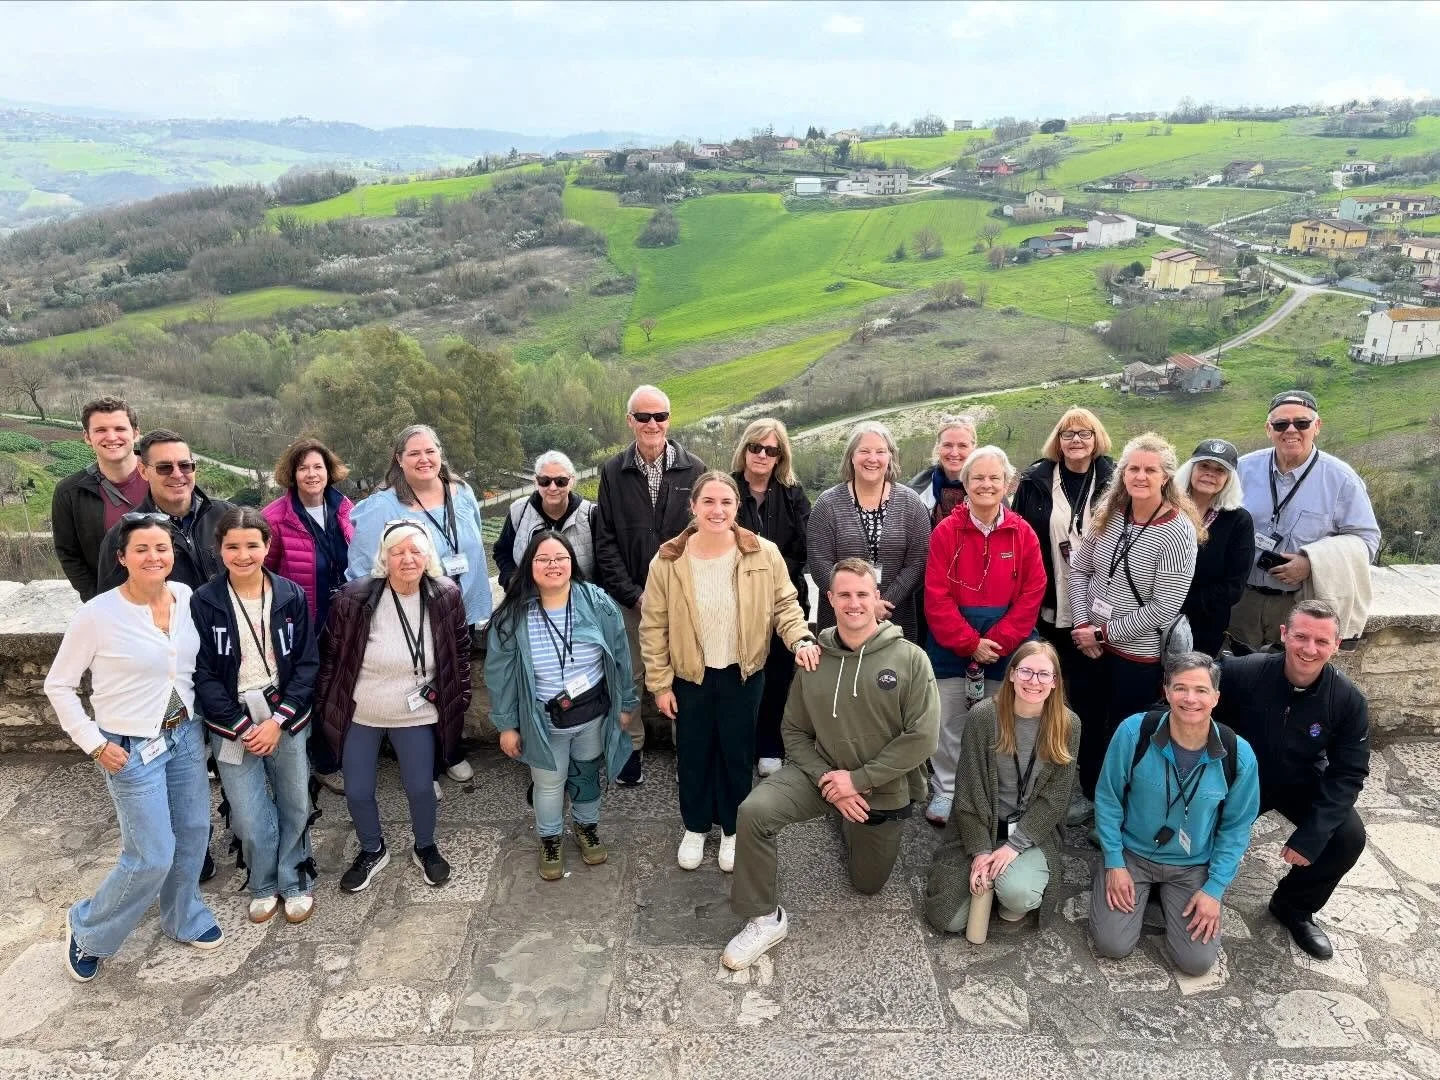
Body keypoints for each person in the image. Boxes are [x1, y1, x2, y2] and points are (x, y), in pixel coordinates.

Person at [720, 558, 938, 971]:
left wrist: (856, 781)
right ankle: (764, 918)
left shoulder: (911, 659)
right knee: (754, 812)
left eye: (862, 594)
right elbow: (794, 732)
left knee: (867, 884)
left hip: (883, 786)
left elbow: (922, 738)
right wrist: (829, 781)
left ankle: (848, 819)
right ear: (830, 599)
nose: (853, 603)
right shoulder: (814, 660)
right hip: (820, 775)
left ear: (877, 599)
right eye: (844, 595)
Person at [45, 514, 223, 982]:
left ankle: (183, 915)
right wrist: (93, 743)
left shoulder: (185, 598)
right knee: (151, 854)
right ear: (122, 557)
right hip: (127, 747)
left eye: (161, 548)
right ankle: (88, 928)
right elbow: (58, 685)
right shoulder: (97, 615)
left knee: (192, 834)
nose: (153, 557)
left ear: (173, 554)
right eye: (141, 549)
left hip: (182, 734)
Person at [641, 471, 819, 872]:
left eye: (725, 502)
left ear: (737, 507)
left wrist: (801, 640)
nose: (717, 510)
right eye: (708, 502)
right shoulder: (668, 559)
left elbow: (786, 607)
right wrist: (660, 683)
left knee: (737, 753)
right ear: (694, 507)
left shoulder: (763, 553)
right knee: (693, 753)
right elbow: (653, 626)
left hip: (743, 672)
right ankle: (696, 826)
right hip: (691, 675)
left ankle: (732, 830)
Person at [318, 522, 471, 893]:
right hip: (362, 712)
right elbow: (330, 656)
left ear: (428, 557)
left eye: (415, 551)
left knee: (421, 788)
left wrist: (460, 697)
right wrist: (326, 708)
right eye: (397, 552)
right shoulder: (353, 599)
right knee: (357, 791)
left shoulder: (446, 595)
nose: (407, 559)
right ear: (383, 558)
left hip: (417, 711)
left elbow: (460, 652)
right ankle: (372, 848)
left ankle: (425, 846)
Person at [1214, 601, 1369, 960]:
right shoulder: (1242, 672)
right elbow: (1191, 701)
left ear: (1336, 644)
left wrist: (1313, 835)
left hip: (1297, 778)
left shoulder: (1348, 700)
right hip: (1238, 777)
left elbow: (1348, 772)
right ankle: (1173, 884)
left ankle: (1293, 906)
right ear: (1284, 635)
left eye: (1320, 641)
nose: (1309, 649)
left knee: (1346, 836)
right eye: (1300, 636)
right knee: (1194, 825)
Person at [1090, 652, 1259, 976]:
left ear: (1216, 697)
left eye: (1200, 690)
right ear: (1166, 692)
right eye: (1180, 688)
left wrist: (1214, 889)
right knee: (1112, 944)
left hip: (1191, 864)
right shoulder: (1133, 733)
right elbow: (1108, 798)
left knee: (1196, 963)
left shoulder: (1239, 754)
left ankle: (1162, 896)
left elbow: (1236, 826)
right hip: (1133, 855)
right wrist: (1114, 862)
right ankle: (1143, 891)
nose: (1190, 698)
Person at [191, 508, 320, 924]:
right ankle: (263, 880)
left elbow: (305, 663)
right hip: (232, 720)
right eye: (233, 546)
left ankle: (294, 877)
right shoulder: (205, 602)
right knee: (246, 809)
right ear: (219, 550)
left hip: (284, 714)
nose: (243, 554)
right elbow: (205, 672)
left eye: (252, 545)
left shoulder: (289, 594)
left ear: (267, 547)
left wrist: (277, 720)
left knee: (295, 798)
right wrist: (244, 726)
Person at [486, 531, 638, 881]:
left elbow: (620, 657)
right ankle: (550, 838)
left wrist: (626, 704)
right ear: (530, 566)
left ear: (572, 562)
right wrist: (507, 725)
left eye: (560, 558)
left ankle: (587, 828)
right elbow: (499, 674)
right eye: (543, 559)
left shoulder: (597, 603)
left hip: (591, 714)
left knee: (586, 773)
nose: (553, 565)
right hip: (543, 720)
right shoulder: (514, 613)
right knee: (549, 783)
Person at [348, 424, 489, 785]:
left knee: (454, 684)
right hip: (410, 614)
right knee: (418, 687)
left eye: (430, 451)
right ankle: (423, 768)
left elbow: (474, 549)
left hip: (460, 611)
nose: (424, 459)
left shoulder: (462, 492)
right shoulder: (382, 506)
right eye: (414, 453)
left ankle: (450, 751)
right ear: (399, 459)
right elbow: (363, 567)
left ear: (441, 454)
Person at [1067, 432, 1201, 810]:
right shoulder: (1109, 514)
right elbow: (1080, 571)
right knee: (1088, 724)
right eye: (1133, 468)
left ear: (1166, 477)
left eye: (1150, 470)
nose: (1140, 476)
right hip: (1090, 645)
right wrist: (1082, 625)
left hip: (1136, 656)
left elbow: (1164, 608)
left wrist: (1102, 632)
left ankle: (1119, 804)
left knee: (1126, 733)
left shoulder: (1177, 532)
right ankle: (1090, 793)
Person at [922, 446, 1046, 826]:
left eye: (995, 478)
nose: (987, 485)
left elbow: (1032, 593)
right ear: (966, 482)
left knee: (1001, 721)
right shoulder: (946, 531)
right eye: (978, 478)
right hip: (951, 643)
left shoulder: (1023, 533)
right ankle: (945, 790)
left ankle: (994, 793)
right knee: (949, 719)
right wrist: (969, 642)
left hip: (1006, 647)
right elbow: (936, 596)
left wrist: (1000, 641)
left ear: (1008, 483)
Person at [593, 384, 707, 787]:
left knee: (685, 673)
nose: (652, 424)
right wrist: (633, 593)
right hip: (630, 599)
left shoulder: (695, 470)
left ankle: (687, 750)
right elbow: (604, 540)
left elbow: (704, 535)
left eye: (659, 416)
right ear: (630, 421)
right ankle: (629, 749)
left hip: (682, 598)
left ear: (669, 419)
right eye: (643, 417)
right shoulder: (611, 472)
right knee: (628, 676)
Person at [924, 641, 1080, 933]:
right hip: (981, 825)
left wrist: (1014, 846)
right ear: (1011, 674)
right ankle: (989, 871)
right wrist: (981, 851)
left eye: (1044, 674)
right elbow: (968, 791)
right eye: (1026, 672)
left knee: (1018, 895)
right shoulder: (984, 717)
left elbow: (1055, 799)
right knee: (949, 920)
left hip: (1030, 832)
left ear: (1055, 682)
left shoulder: (1068, 725)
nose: (1034, 681)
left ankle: (1008, 886)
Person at [1011, 407, 1115, 822]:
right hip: (1048, 609)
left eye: (1084, 433)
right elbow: (1021, 542)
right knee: (1046, 698)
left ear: (1097, 438)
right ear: (1058, 439)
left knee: (1090, 704)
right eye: (1068, 433)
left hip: (1097, 613)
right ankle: (1038, 783)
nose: (1076, 440)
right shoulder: (1036, 481)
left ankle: (1086, 785)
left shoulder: (1115, 481)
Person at [1231, 390, 1380, 650]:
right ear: (1269, 429)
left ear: (1317, 426)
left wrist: (1312, 562)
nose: (1291, 430)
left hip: (1299, 605)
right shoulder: (1242, 469)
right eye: (1280, 424)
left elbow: (1366, 541)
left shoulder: (1341, 479)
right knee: (1236, 675)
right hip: (1242, 601)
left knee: (1290, 680)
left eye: (1301, 423)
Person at [262, 437, 354, 793]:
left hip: (344, 615)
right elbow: (264, 572)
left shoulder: (344, 507)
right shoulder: (275, 517)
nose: (312, 474)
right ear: (292, 473)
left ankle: (344, 754)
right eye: (303, 468)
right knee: (311, 690)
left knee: (341, 687)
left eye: (318, 467)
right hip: (304, 621)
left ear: (329, 471)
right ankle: (324, 764)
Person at [730, 418, 811, 778]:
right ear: (745, 449)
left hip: (784, 597)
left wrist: (769, 567)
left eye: (771, 449)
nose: (762, 455)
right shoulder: (728, 490)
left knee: (778, 674)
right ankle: (739, 743)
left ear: (781, 456)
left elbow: (804, 546)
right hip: (736, 599)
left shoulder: (793, 494)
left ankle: (770, 744)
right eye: (756, 447)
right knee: (738, 675)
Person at [808, 421, 930, 642]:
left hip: (895, 618)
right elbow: (820, 564)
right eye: (864, 451)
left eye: (880, 452)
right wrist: (858, 603)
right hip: (840, 621)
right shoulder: (827, 504)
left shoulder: (911, 503)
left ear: (890, 457)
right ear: (851, 456)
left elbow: (918, 563)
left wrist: (881, 604)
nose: (872, 458)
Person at [96, 430, 235, 592]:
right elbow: (112, 605)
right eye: (164, 467)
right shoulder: (122, 535)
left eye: (185, 465)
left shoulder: (228, 516)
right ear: (143, 471)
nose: (177, 474)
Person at [52, 397, 150, 601]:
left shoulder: (166, 476)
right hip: (113, 605)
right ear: (87, 437)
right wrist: (95, 600)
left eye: (120, 428)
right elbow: (69, 554)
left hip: (173, 601)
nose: (112, 437)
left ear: (136, 432)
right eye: (101, 430)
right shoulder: (70, 492)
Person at [1175, 440, 1254, 658]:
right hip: (1153, 617)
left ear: (1229, 479)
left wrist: (1178, 601)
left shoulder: (1238, 520)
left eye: (1220, 470)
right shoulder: (1165, 508)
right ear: (1191, 469)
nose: (1210, 474)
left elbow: (1234, 586)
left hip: (1204, 625)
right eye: (1204, 466)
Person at [494, 450, 597, 591]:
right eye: (545, 481)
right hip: (528, 601)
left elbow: (605, 563)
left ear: (572, 481)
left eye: (561, 481)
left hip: (580, 604)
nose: (552, 488)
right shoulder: (519, 510)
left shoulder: (591, 515)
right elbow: (502, 552)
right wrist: (513, 583)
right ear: (535, 482)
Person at [911, 417, 978, 529]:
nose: (954, 453)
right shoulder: (916, 493)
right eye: (948, 445)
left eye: (962, 446)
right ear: (938, 448)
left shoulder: (989, 489)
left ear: (973, 449)